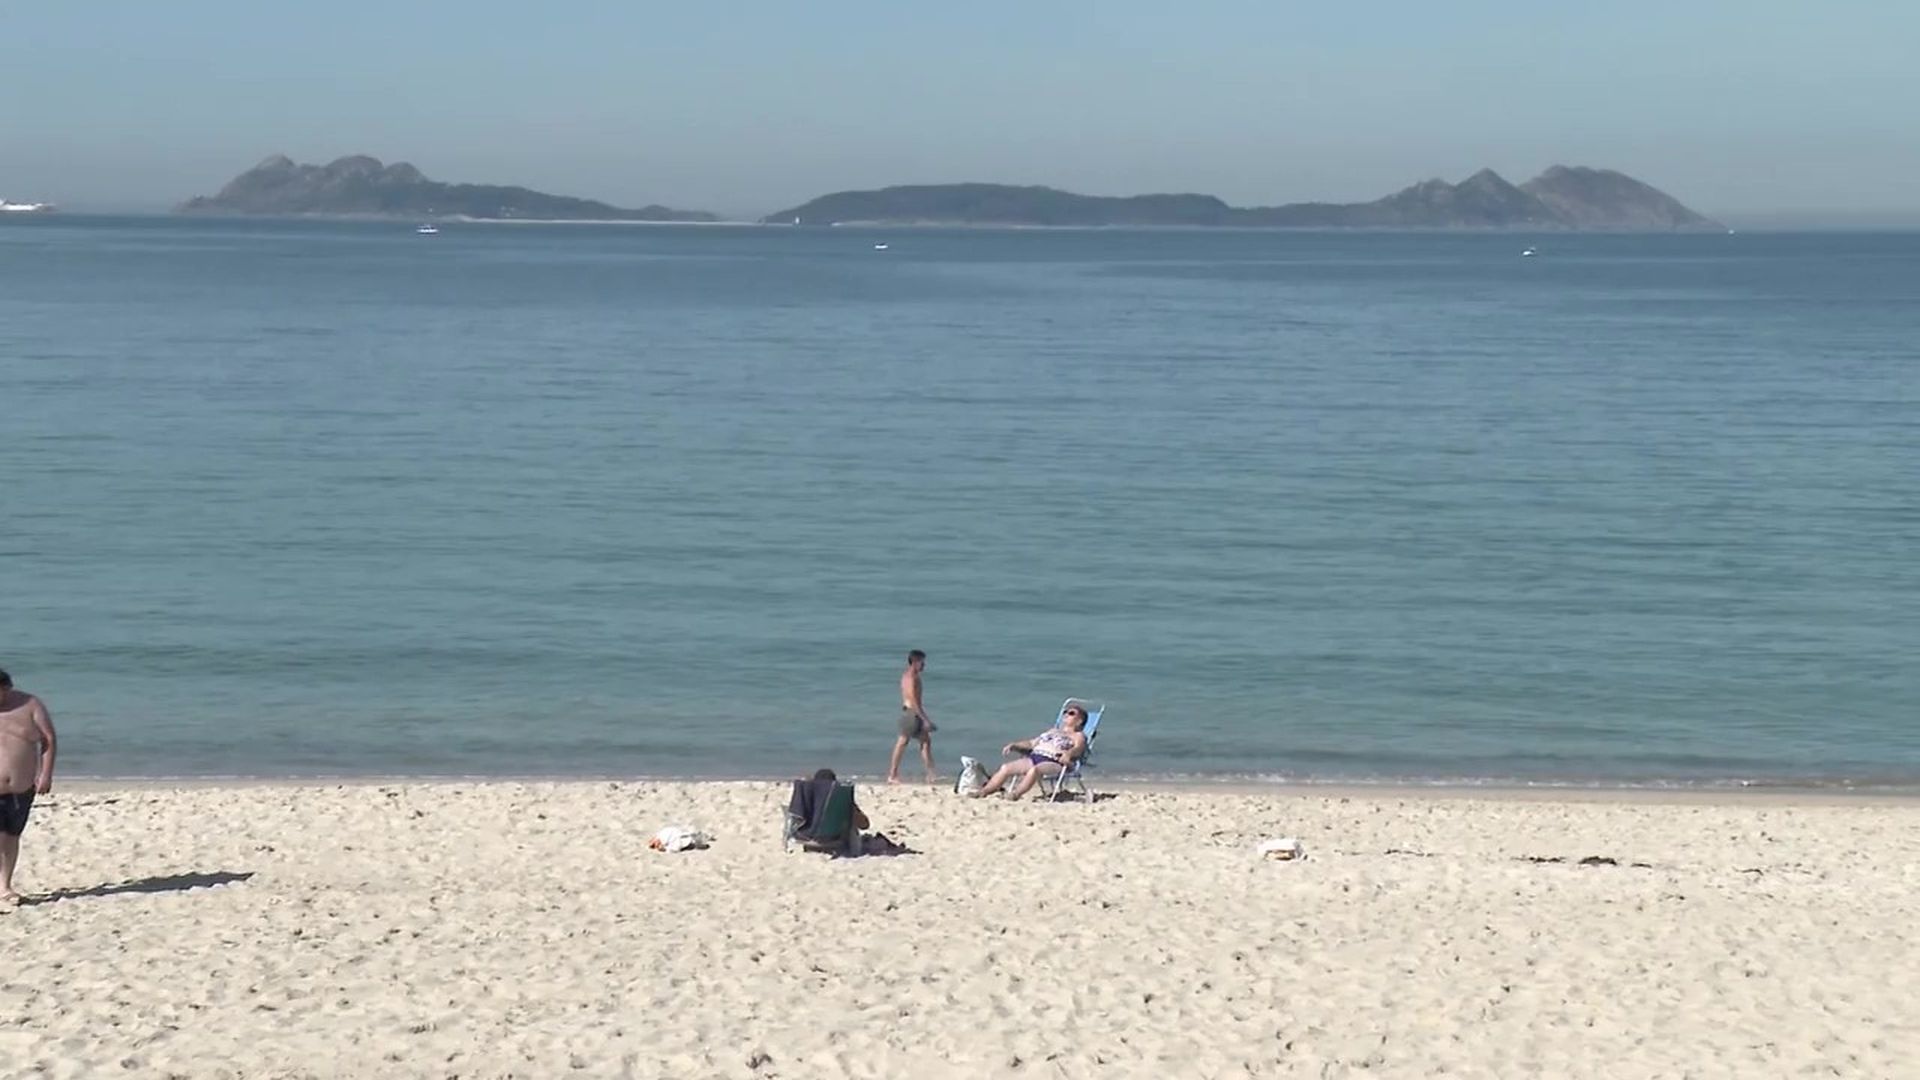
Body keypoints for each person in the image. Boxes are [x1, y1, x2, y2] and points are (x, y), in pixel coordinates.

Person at [0, 668, 57, 906]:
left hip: (21, 787)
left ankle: (5, 886)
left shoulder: (29, 704)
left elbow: (49, 739)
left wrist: (46, 774)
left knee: (12, 836)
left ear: (7, 688)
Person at [970, 704, 1089, 801]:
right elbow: (1032, 743)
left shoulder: (1078, 736)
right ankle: (983, 792)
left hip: (1055, 761)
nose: (1066, 714)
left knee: (1035, 770)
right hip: (1035, 756)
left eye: (1071, 713)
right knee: (1006, 768)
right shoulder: (1053, 731)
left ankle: (1015, 795)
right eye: (1066, 712)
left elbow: (1079, 748)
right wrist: (1015, 745)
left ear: (1079, 721)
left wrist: (1068, 754)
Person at [886, 649, 937, 785]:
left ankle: (930, 774)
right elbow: (913, 699)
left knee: (925, 742)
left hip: (914, 713)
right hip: (911, 714)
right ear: (914, 662)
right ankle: (892, 774)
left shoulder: (912, 676)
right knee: (902, 742)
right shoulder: (910, 678)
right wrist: (925, 719)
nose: (924, 665)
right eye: (922, 662)